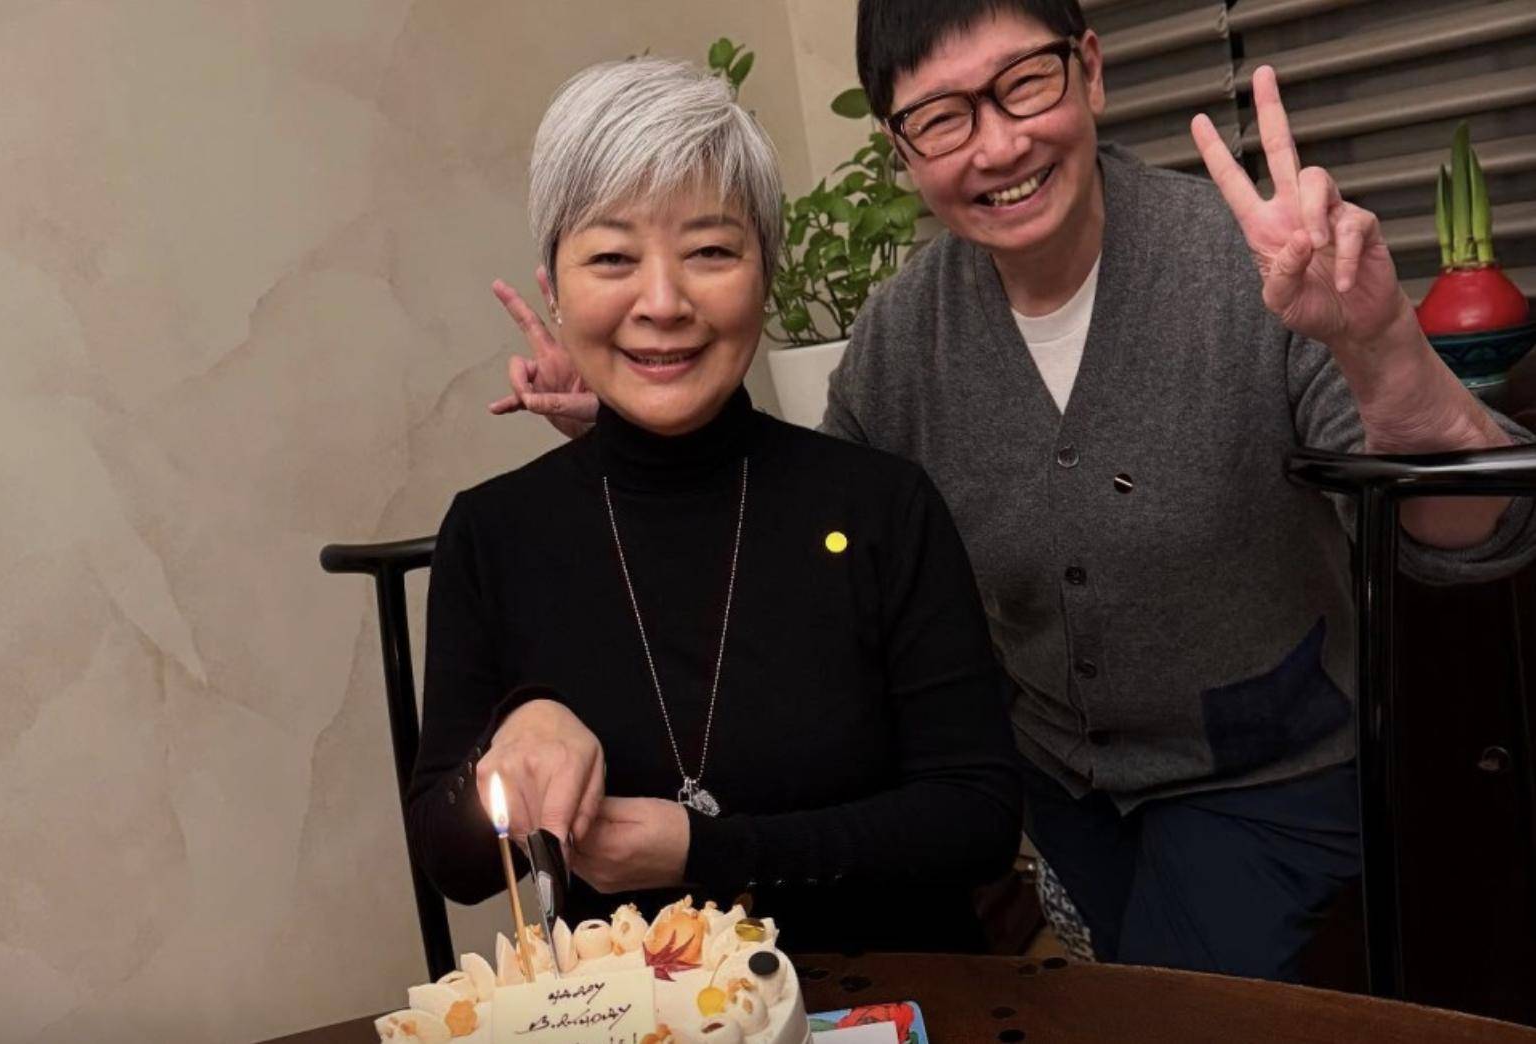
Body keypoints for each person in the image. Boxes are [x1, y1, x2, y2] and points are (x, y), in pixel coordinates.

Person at [486, 2, 1536, 981]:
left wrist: (1377, 343)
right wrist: (636, 410)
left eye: (1024, 84)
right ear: (902, 151)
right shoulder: (903, 338)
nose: (995, 146)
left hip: (1266, 780)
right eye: (941, 118)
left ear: (1089, 70)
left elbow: (1468, 534)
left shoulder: (1249, 267)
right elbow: (806, 523)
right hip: (1058, 800)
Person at [409, 56, 1024, 956]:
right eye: (612, 258)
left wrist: (707, 849)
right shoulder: (495, 533)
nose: (663, 303)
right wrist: (518, 724)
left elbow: (976, 819)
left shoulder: (882, 506)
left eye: (710, 252)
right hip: (633, 1014)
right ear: (554, 288)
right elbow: (451, 859)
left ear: (765, 273)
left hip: (888, 1001)